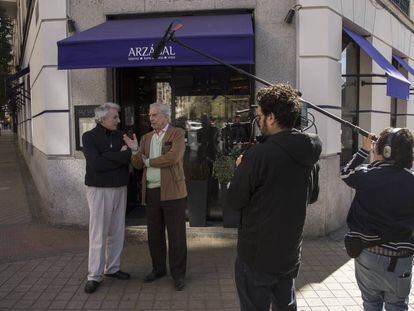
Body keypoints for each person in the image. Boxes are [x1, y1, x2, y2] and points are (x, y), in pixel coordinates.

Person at [227, 83, 322, 311]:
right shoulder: (309, 152)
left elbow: (234, 200)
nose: (257, 121)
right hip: (289, 254)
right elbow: (313, 195)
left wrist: (241, 169)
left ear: (271, 118)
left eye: (259, 115)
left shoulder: (258, 156)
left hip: (257, 258)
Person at [341, 128, 414, 311]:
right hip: (401, 260)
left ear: (386, 151)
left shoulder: (367, 175)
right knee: (397, 306)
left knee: (371, 304)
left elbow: (345, 172)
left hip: (368, 256)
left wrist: (363, 149)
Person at [123, 102, 187, 291]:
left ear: (165, 116)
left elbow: (173, 158)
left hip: (173, 192)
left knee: (176, 236)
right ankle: (158, 269)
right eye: (150, 115)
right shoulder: (145, 138)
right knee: (154, 235)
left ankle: (178, 275)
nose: (150, 118)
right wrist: (135, 150)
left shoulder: (177, 133)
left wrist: (148, 161)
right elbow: (137, 165)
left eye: (154, 115)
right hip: (151, 192)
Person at [82, 102, 131, 294]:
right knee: (98, 233)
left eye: (117, 117)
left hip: (120, 187)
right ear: (102, 119)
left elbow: (128, 157)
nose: (118, 121)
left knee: (117, 231)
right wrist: (118, 157)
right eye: (114, 117)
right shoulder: (89, 137)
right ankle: (94, 275)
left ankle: (113, 268)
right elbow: (95, 164)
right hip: (98, 189)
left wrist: (109, 157)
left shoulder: (121, 136)